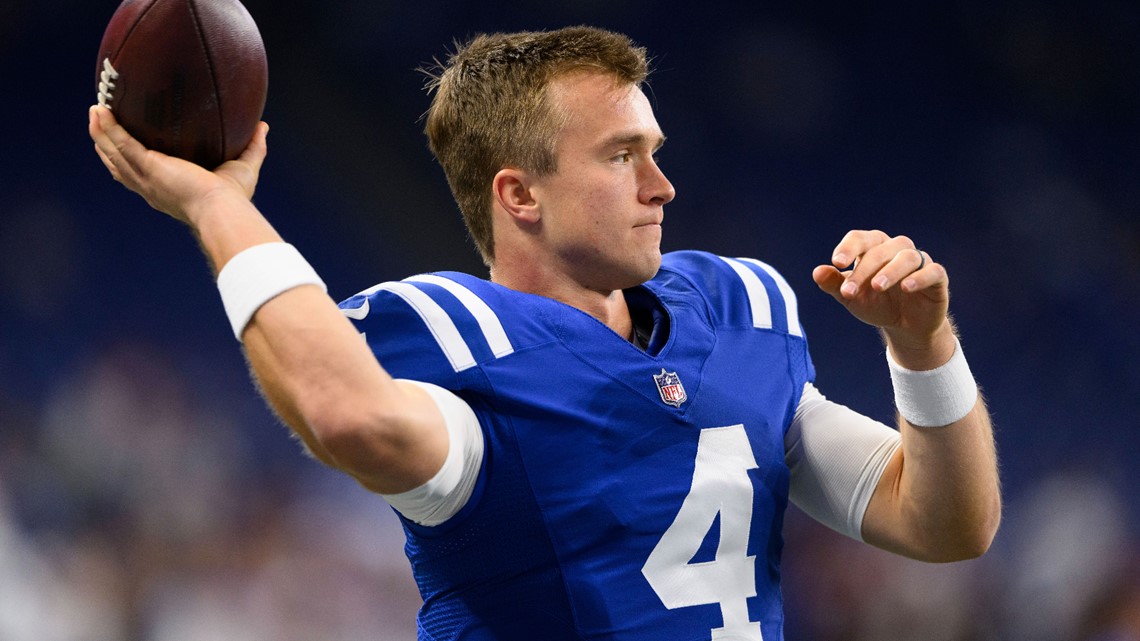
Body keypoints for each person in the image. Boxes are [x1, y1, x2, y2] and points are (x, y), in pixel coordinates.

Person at [88, 25, 1000, 641]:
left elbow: (949, 521)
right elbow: (345, 413)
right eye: (620, 156)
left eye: (656, 152)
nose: (661, 186)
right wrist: (216, 206)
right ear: (519, 194)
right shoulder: (464, 347)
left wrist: (924, 345)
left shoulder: (737, 308)